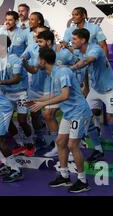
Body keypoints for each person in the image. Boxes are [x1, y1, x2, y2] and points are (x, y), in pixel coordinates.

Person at [29, 47, 92, 193]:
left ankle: (83, 181)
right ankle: (64, 177)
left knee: (72, 145)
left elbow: (64, 95)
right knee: (60, 142)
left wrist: (43, 104)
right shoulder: (53, 73)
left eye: (38, 59)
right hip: (69, 113)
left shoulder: (62, 72)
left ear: (43, 61)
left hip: (79, 112)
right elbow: (53, 94)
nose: (37, 61)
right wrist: (34, 100)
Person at [70, 28, 113, 166]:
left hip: (109, 89)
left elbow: (87, 61)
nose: (72, 41)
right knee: (85, 116)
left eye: (74, 39)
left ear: (83, 40)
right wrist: (87, 88)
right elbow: (88, 70)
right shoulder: (79, 51)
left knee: (112, 121)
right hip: (95, 89)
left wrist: (71, 69)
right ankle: (98, 149)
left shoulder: (95, 49)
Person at [61, 7, 109, 134]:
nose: (74, 17)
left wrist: (104, 63)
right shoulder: (69, 31)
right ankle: (81, 127)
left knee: (95, 98)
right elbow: (64, 46)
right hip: (78, 68)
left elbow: (103, 45)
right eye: (72, 14)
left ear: (83, 15)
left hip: (94, 68)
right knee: (80, 98)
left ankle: (96, 125)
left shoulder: (94, 28)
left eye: (76, 14)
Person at [0, 35, 34, 155]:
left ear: (5, 46)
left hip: (20, 93)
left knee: (22, 120)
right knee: (8, 119)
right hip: (6, 94)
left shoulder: (14, 59)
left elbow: (16, 79)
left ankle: (30, 140)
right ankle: (18, 142)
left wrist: (0, 82)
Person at [34, 30, 77, 158]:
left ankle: (71, 143)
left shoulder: (62, 52)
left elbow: (78, 62)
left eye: (40, 41)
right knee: (47, 115)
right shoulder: (41, 53)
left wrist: (76, 78)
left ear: (48, 41)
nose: (38, 44)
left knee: (70, 112)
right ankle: (59, 146)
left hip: (65, 88)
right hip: (49, 87)